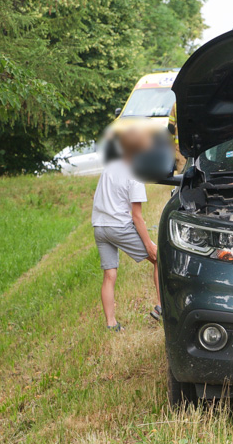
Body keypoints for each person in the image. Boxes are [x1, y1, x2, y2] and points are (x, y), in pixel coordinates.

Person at [92, 129, 161, 331]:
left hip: (99, 226)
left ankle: (111, 324)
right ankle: (161, 307)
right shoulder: (135, 175)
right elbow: (137, 216)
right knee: (160, 259)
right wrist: (149, 244)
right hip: (118, 227)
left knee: (109, 275)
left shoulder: (109, 169)